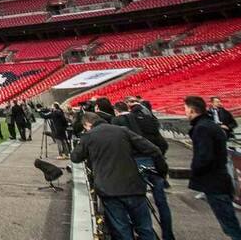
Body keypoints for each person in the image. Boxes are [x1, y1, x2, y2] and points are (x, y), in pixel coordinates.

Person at [70, 112, 167, 240]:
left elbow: (75, 157)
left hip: (109, 191)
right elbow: (154, 149)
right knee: (145, 229)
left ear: (87, 124)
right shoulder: (123, 131)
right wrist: (161, 172)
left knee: (122, 230)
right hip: (134, 187)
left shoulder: (89, 136)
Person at [112, 101, 174, 240]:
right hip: (153, 161)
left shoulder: (118, 123)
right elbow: (161, 143)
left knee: (137, 203)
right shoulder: (147, 120)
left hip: (135, 163)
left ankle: (146, 234)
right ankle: (168, 235)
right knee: (161, 202)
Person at [185, 96, 241, 240]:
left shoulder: (202, 128)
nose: (185, 112)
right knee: (228, 221)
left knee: (229, 223)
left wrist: (195, 171)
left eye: (185, 108)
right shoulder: (208, 124)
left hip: (214, 181)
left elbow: (204, 157)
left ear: (192, 110)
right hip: (219, 179)